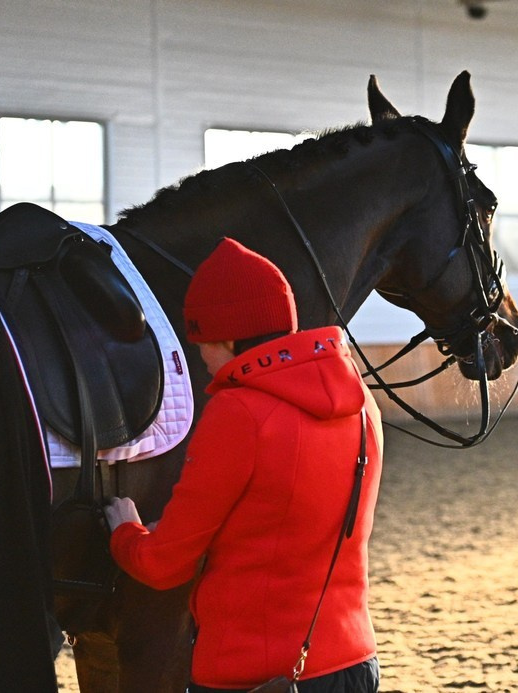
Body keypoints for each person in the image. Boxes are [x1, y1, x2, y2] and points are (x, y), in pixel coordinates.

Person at [104, 237, 383, 693]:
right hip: (353, 661)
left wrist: (125, 532)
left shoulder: (239, 412)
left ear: (229, 339)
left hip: (252, 674)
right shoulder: (363, 403)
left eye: (203, 344)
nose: (202, 360)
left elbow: (162, 565)